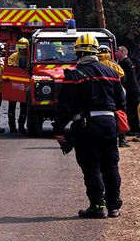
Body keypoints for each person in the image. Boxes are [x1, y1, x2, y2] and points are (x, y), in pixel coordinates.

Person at [52, 33, 126, 218]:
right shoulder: (112, 72)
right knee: (110, 165)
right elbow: (122, 102)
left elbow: (65, 106)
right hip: (109, 123)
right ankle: (114, 207)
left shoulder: (74, 75)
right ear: (96, 51)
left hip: (85, 125)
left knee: (91, 166)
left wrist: (58, 129)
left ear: (77, 53)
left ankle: (97, 207)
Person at [98, 45, 128, 148]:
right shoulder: (114, 64)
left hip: (98, 96)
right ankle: (122, 140)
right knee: (121, 114)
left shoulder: (94, 64)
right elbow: (122, 77)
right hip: (114, 94)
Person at [115, 46, 140, 138]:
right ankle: (133, 128)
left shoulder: (125, 63)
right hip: (130, 90)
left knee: (133, 110)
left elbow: (124, 78)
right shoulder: (125, 62)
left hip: (132, 91)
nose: (115, 53)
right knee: (130, 110)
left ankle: (136, 129)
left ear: (123, 52)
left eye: (117, 51)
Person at [7, 38, 29, 133]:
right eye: (22, 49)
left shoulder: (30, 56)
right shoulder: (13, 56)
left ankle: (21, 126)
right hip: (14, 85)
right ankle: (12, 126)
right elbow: (8, 66)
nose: (23, 51)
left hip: (25, 85)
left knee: (24, 108)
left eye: (25, 49)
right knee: (12, 107)